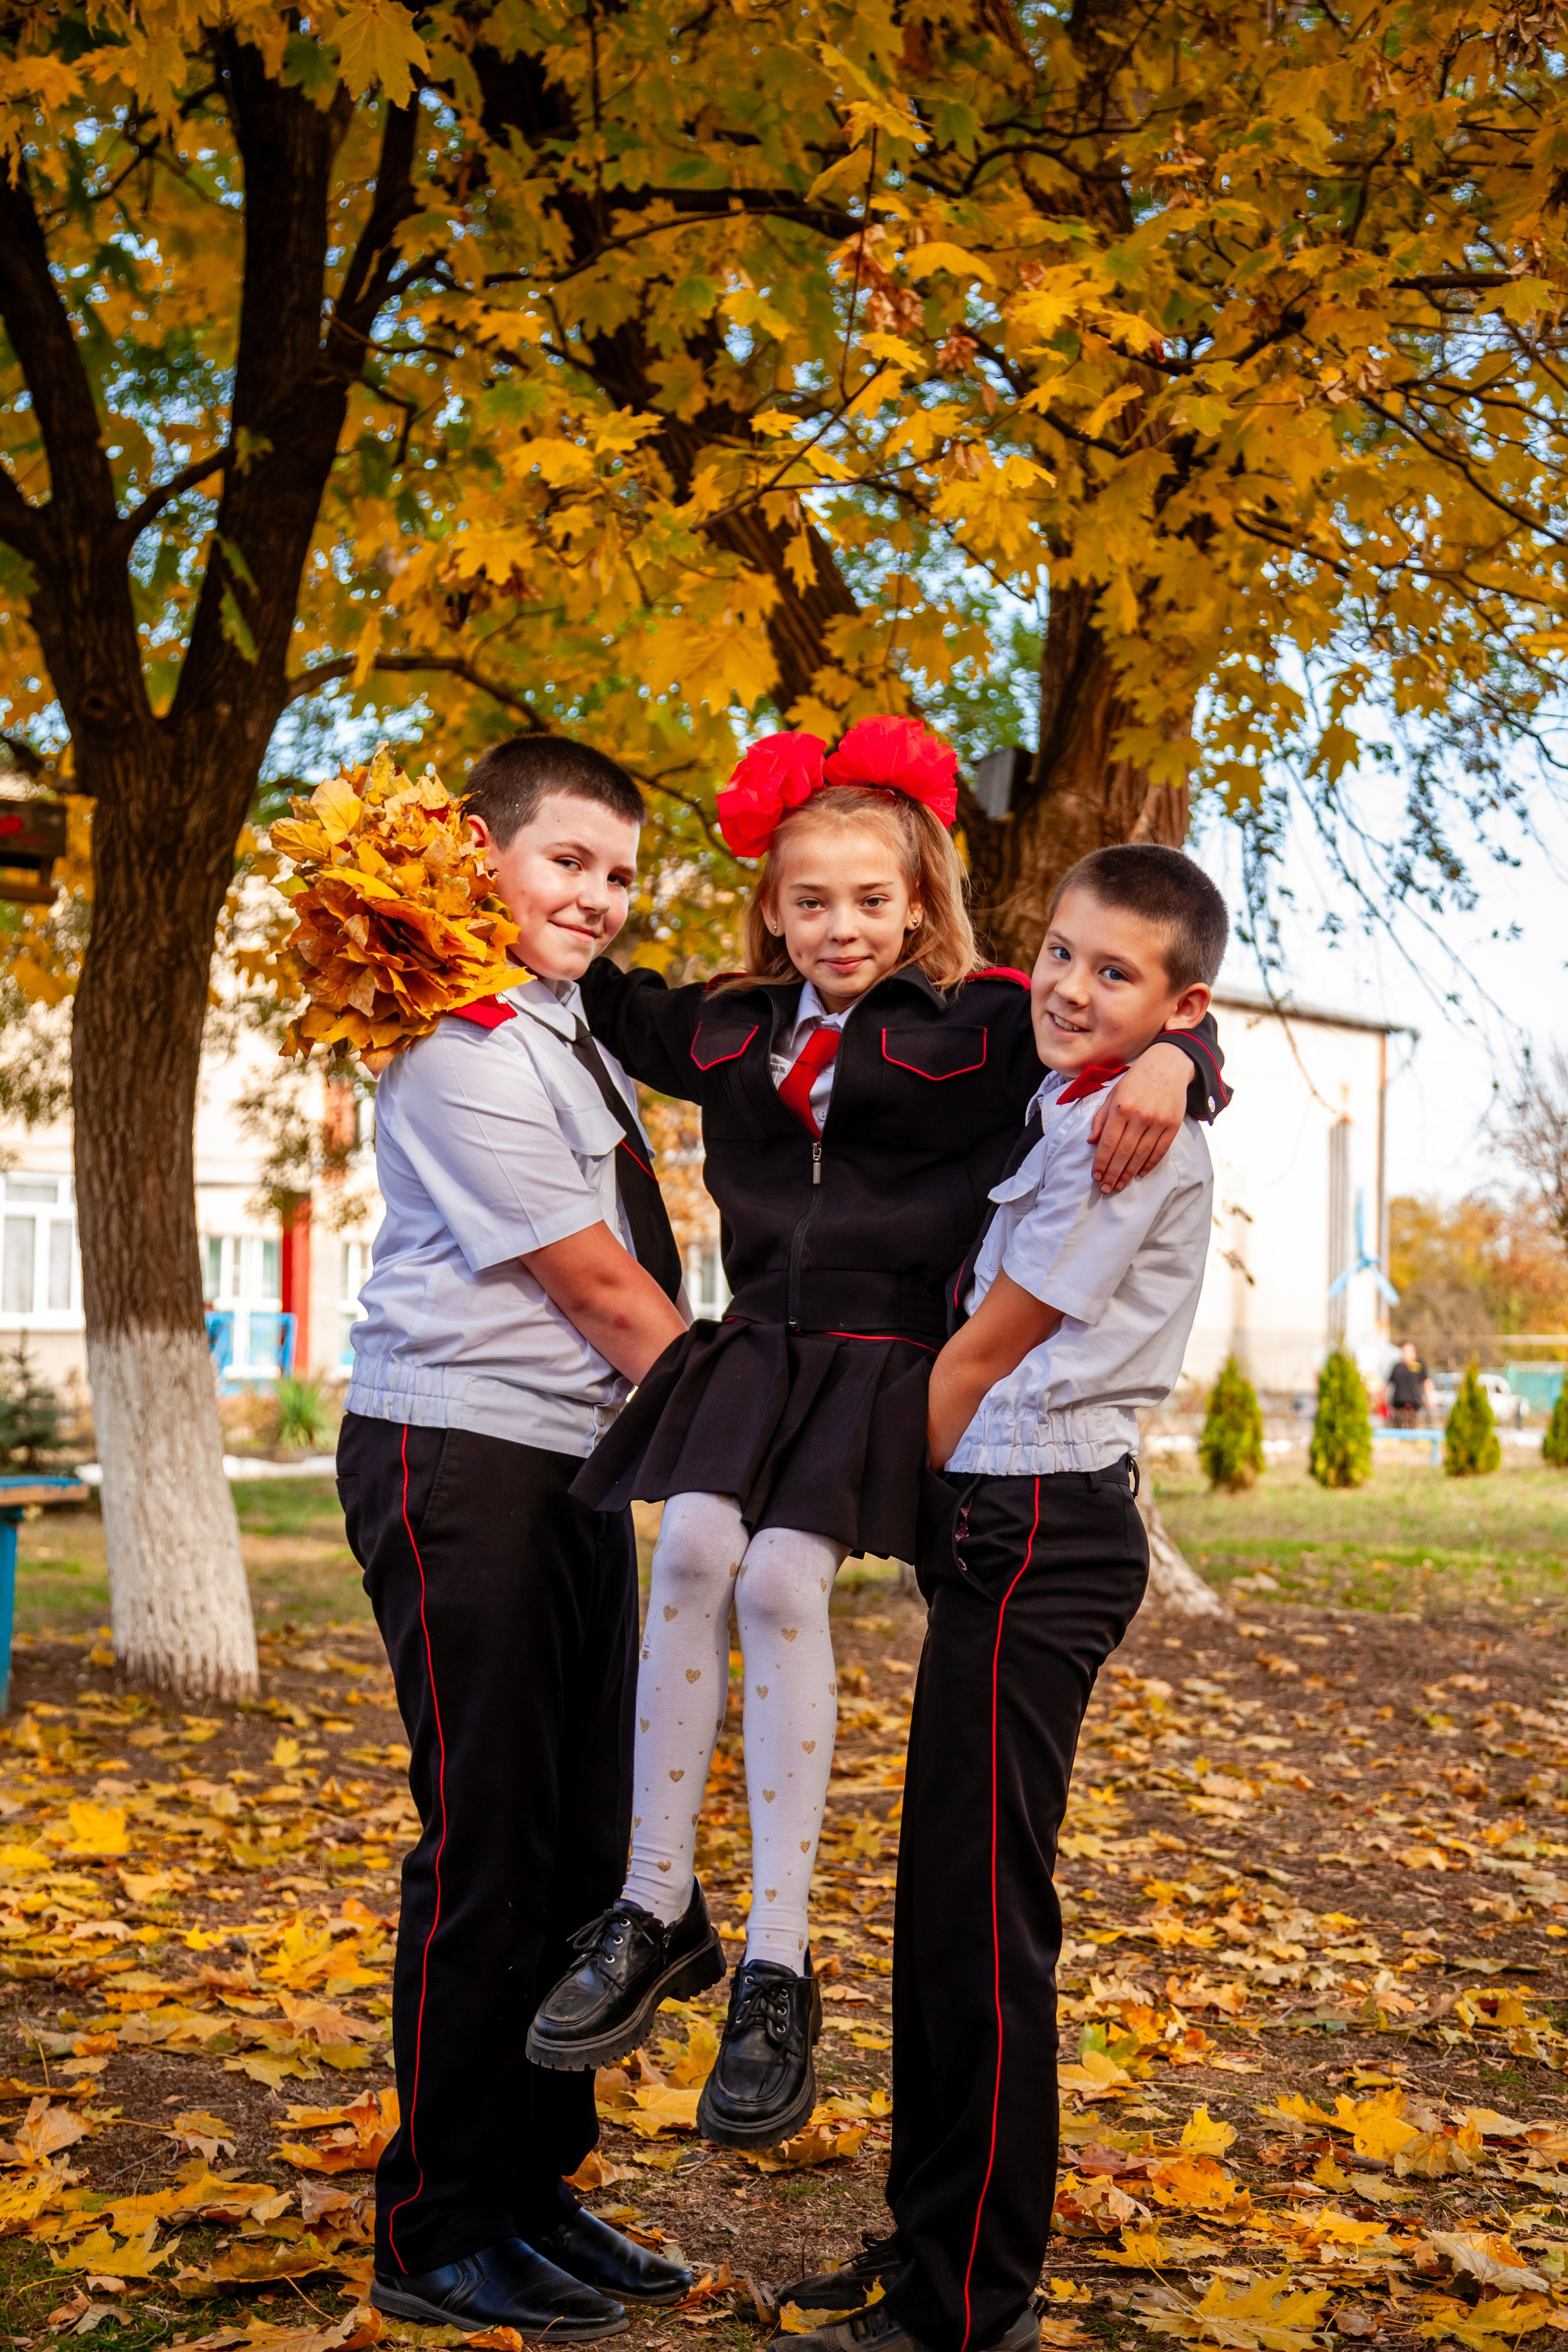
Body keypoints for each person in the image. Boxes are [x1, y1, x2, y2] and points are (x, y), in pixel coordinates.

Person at [527, 718, 1232, 2150]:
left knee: (781, 1584)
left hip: (889, 1360)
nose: (837, 927)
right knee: (687, 1560)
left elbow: (1111, 1025)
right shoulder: (723, 1021)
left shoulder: (976, 1021)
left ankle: (777, 1960)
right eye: (806, 899)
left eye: (867, 900)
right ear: (768, 905)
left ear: (918, 903)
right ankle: (653, 1897)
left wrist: (1187, 1059)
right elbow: (588, 978)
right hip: (756, 1349)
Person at [783, 842, 1226, 2352]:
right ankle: (926, 2245)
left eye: (1115, 973)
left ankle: (969, 2295)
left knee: (980, 1922)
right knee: (940, 1908)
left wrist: (817, 1504)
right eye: (1058, 952)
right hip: (994, 1513)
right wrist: (1167, 1048)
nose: (1065, 986)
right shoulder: (1074, 1092)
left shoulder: (1134, 1136)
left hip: (1040, 1523)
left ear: (1177, 1003)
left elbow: (974, 1360)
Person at [337, 737, 699, 2340]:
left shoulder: (569, 1033)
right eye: (569, 862)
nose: (600, 899)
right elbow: (612, 1299)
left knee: (576, 1851)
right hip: (458, 1462)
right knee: (485, 1847)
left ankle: (530, 2183)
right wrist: (793, 1455)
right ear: (475, 851)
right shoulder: (458, 1045)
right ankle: (433, 2223)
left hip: (574, 1468)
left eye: (619, 875)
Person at [1387, 1340, 1433, 1427]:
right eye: (1404, 1351)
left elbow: (1426, 1382)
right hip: (1398, 1407)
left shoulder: (1419, 1365)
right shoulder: (1397, 1367)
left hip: (1414, 1407)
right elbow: (1389, 1384)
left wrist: (1430, 1398)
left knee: (1413, 1431)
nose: (1406, 1354)